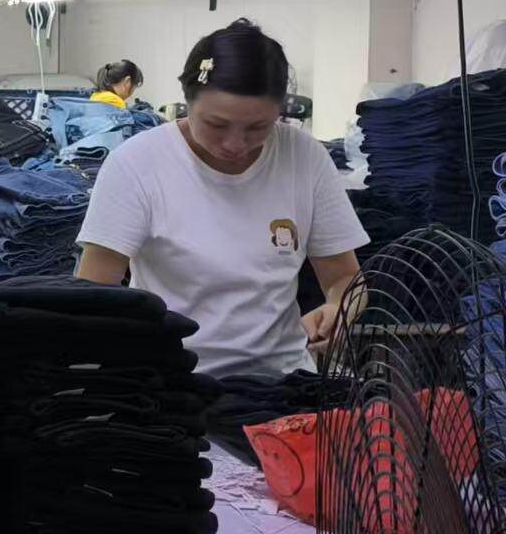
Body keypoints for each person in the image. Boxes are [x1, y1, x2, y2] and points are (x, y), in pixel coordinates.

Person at [73, 19, 365, 377]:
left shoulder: (303, 157)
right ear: (186, 102)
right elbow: (95, 293)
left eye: (258, 127)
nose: (235, 144)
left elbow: (344, 277)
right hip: (176, 382)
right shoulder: (137, 165)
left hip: (282, 380)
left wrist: (338, 309)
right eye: (216, 125)